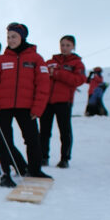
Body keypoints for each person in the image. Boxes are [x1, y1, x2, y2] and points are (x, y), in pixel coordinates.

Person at [0, 22, 52, 187]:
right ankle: (6, 174)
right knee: (4, 141)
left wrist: (38, 108)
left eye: (14, 36)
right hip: (3, 107)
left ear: (22, 37)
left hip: (26, 107)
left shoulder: (36, 59)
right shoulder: (0, 60)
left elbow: (43, 85)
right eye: (8, 37)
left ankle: (35, 170)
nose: (11, 40)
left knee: (32, 139)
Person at [40, 35, 85, 168]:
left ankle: (65, 158)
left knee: (65, 131)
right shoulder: (50, 62)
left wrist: (57, 74)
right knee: (44, 131)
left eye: (68, 45)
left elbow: (79, 80)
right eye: (62, 45)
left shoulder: (77, 63)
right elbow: (41, 77)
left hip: (64, 101)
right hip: (47, 101)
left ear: (73, 47)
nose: (64, 48)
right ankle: (43, 157)